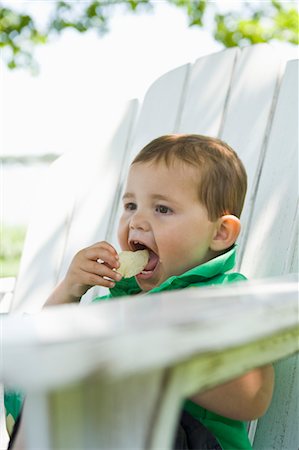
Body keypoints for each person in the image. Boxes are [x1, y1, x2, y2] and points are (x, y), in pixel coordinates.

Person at [5, 134, 274, 450]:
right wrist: (69, 291)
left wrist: (157, 350)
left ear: (220, 232)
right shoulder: (117, 301)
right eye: (130, 205)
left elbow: (253, 398)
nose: (136, 221)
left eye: (162, 208)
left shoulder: (225, 296)